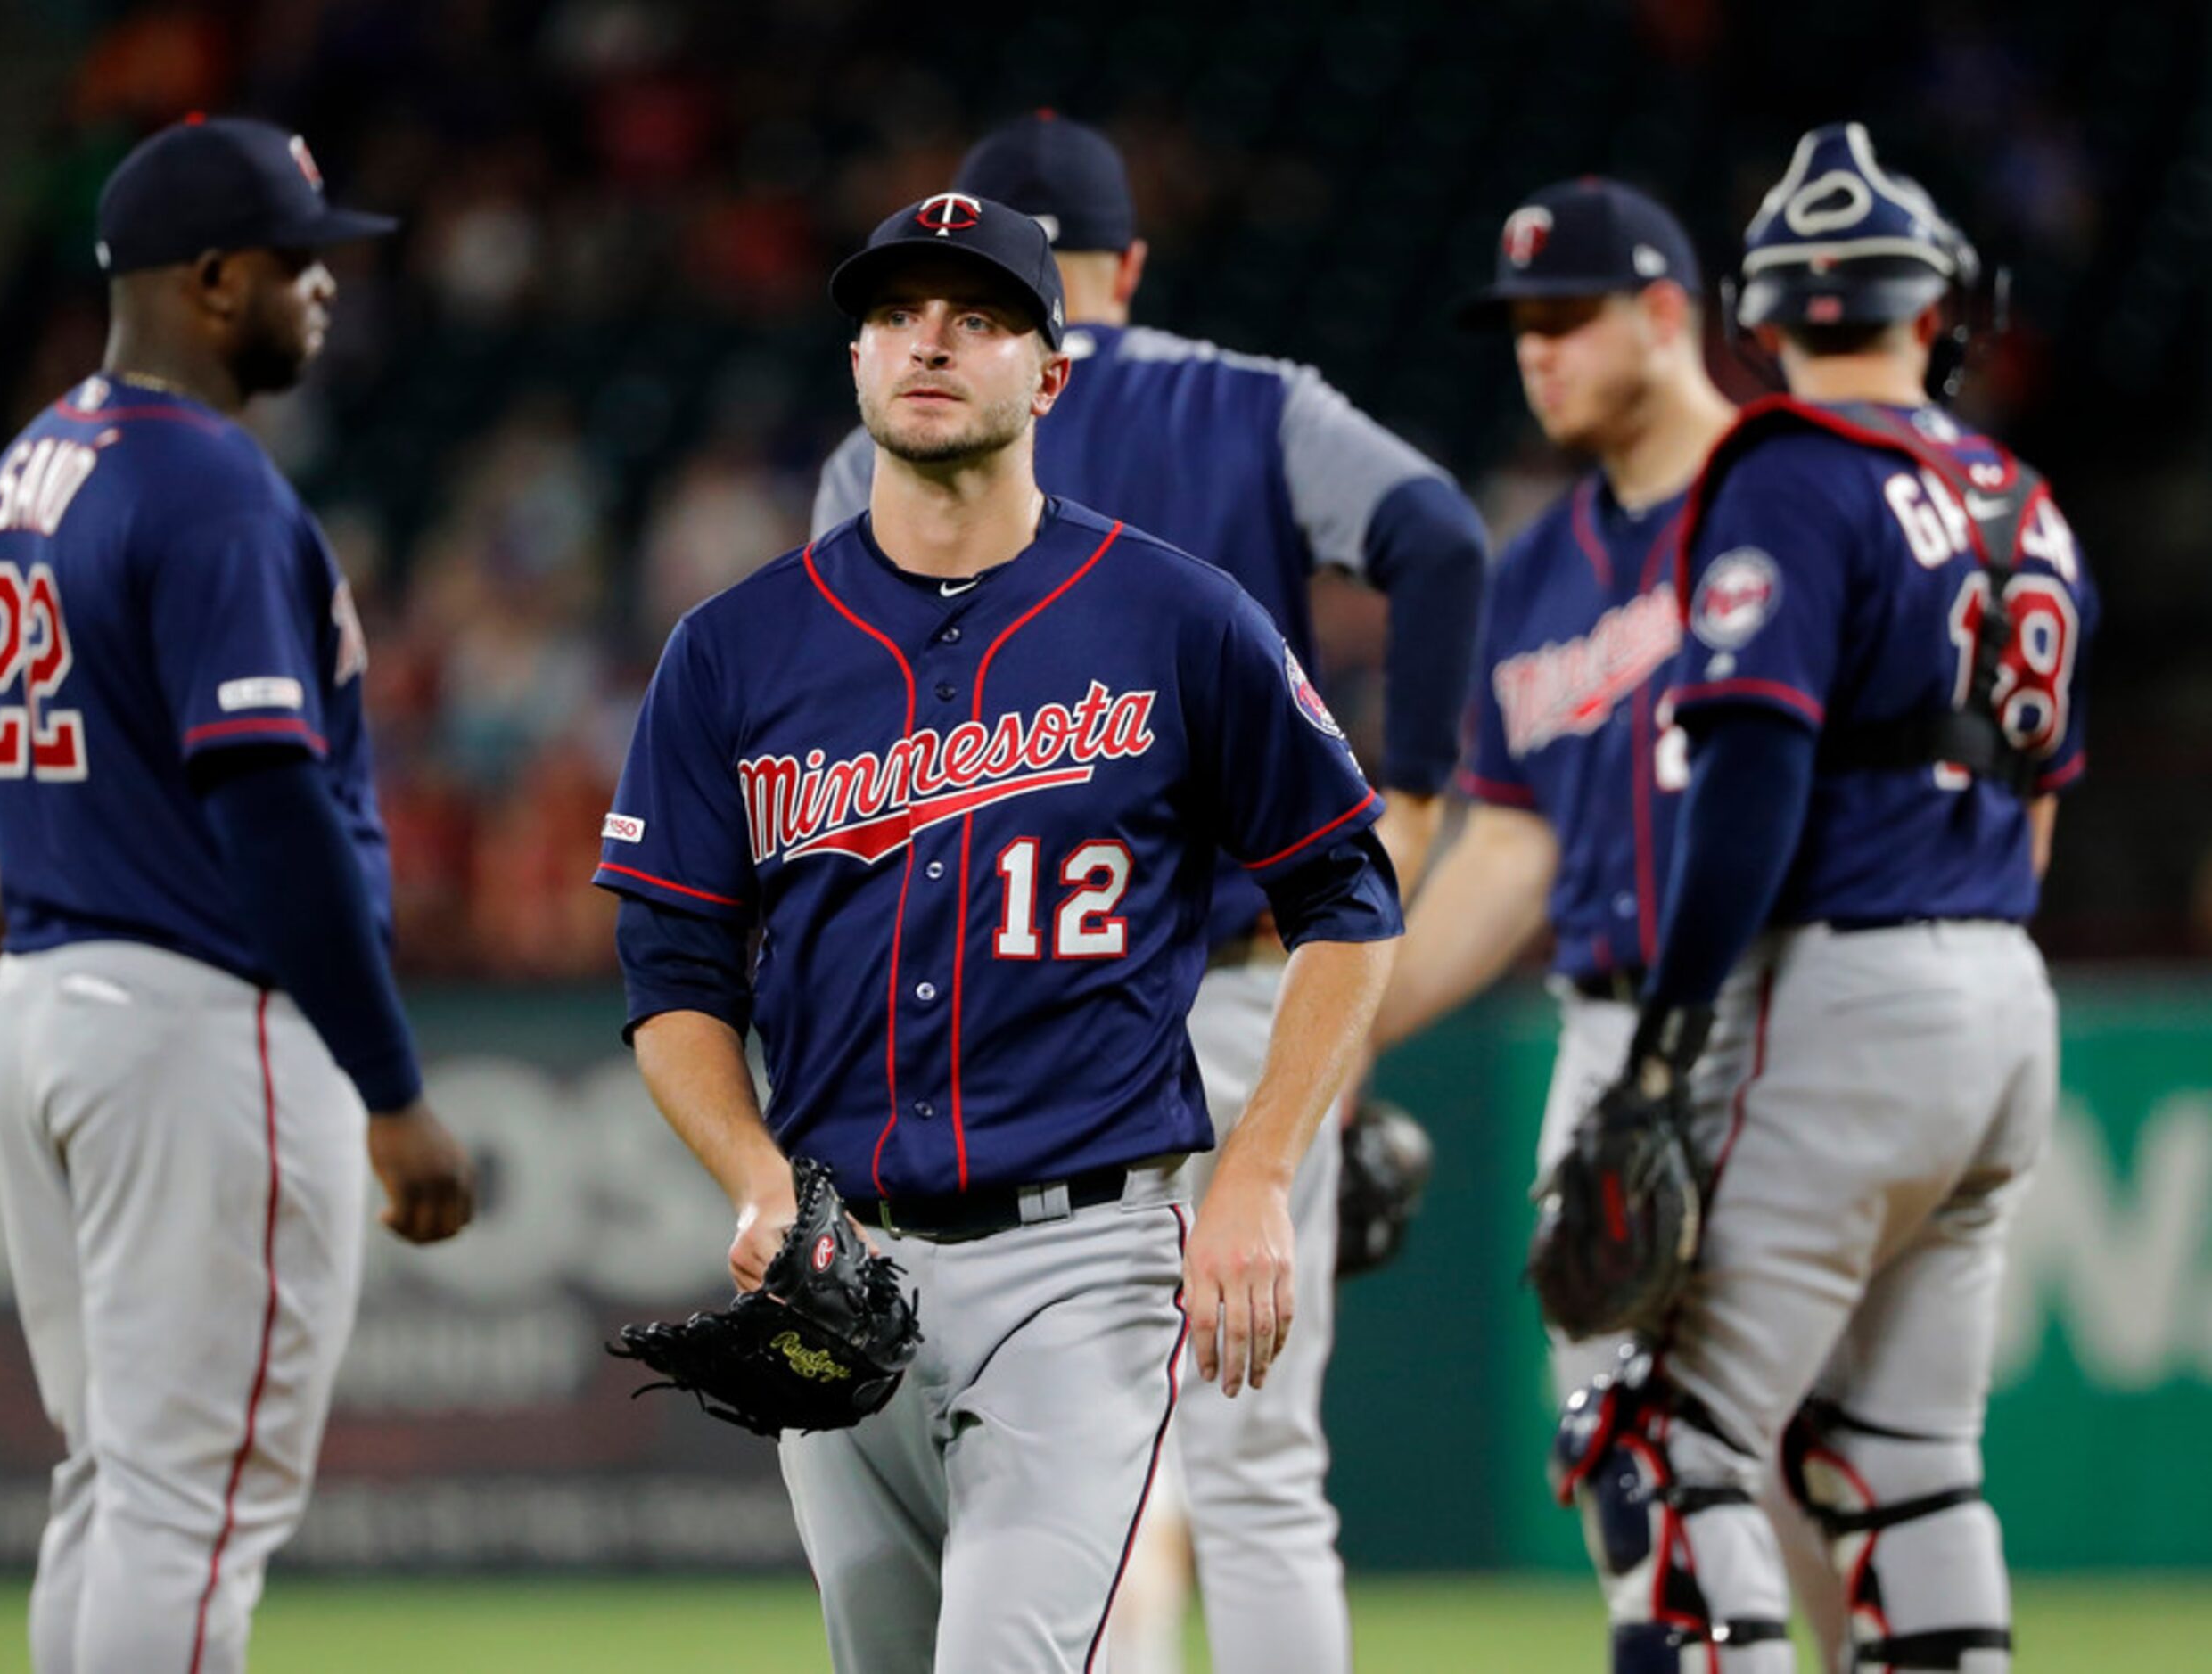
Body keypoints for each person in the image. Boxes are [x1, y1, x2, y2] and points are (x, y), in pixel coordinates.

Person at [596, 191, 1402, 1673]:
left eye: (976, 316)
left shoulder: (1179, 616)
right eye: (899, 313)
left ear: (1050, 373)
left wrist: (1265, 1165)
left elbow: (1348, 895)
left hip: (1083, 1258)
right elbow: (673, 969)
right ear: (852, 361)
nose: (930, 341)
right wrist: (755, 1178)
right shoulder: (731, 649)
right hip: (841, 1261)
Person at [814, 113, 1484, 1674]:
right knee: (1259, 1468)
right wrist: (1423, 795)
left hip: (1013, 1009)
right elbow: (1438, 535)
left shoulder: (892, 426)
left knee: (1045, 1448)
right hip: (1244, 975)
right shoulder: (1250, 403)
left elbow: (825, 708)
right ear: (1126, 260)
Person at [1550, 123, 2097, 1671]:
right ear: (1940, 310)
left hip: (1843, 993)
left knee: (1658, 1442)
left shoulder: (1789, 474)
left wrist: (1666, 1041)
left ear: (1763, 316)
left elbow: (1749, 783)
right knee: (1904, 1462)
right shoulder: (2025, 503)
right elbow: (2041, 808)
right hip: (2002, 997)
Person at [0, 117, 476, 1674]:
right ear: (208, 278)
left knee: (118, 1484)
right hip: (197, 1021)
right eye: (298, 260)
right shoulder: (207, 485)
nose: (324, 288)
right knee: (191, 1509)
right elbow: (267, 803)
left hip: (48, 995)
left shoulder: (33, 465)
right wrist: (389, 1085)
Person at [1373, 174, 1855, 1670]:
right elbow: (1506, 849)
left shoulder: (1808, 491)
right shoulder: (1537, 574)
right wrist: (1332, 1034)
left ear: (1666, 314)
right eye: (1520, 327)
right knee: (1629, 1456)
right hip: (1604, 1028)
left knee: (1814, 1457)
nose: (1537, 353)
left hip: (1798, 1005)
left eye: (1567, 320)